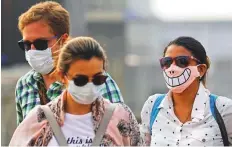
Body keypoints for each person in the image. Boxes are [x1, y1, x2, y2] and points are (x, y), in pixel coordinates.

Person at [10, 37, 142, 146]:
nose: (90, 85)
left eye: (98, 79)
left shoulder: (120, 117)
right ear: (62, 76)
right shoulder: (38, 120)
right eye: (80, 80)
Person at [16, 1, 123, 125]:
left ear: (63, 39)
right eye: (26, 44)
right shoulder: (24, 85)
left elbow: (121, 133)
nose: (32, 50)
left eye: (41, 43)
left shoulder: (96, 81)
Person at [140, 36, 232, 146]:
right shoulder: (153, 106)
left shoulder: (223, 109)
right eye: (167, 62)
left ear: (201, 69)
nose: (172, 68)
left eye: (182, 61)